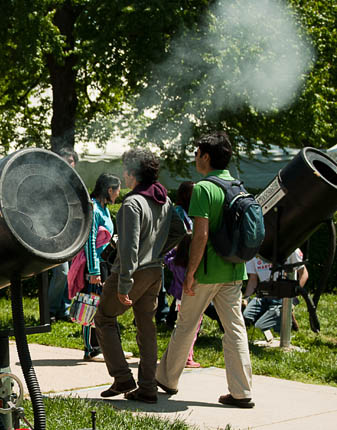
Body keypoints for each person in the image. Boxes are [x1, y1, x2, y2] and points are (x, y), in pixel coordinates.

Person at [156, 131, 254, 408]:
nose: (195, 158)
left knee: (185, 324)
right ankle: (242, 391)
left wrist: (190, 273)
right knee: (235, 329)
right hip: (235, 270)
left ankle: (167, 379)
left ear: (206, 157)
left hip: (207, 272)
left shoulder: (203, 188)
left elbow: (200, 236)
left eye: (197, 153)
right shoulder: (239, 186)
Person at [95, 148, 176, 404]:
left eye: (125, 171)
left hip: (132, 272)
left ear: (132, 174)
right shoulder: (165, 200)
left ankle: (122, 378)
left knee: (104, 318)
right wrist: (158, 249)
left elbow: (128, 248)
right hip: (154, 271)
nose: (123, 176)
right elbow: (180, 231)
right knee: (146, 327)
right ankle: (148, 387)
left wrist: (124, 284)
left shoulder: (132, 203)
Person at [67, 173, 120, 361]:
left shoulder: (104, 209)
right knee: (91, 304)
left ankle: (105, 347)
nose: (118, 194)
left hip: (105, 263)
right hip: (95, 266)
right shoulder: (93, 208)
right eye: (117, 190)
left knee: (103, 305)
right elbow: (90, 242)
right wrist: (94, 271)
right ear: (109, 190)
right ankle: (90, 349)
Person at [163, 181, 202, 368]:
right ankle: (186, 357)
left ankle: (180, 356)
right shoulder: (178, 213)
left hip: (181, 264)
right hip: (183, 262)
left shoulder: (193, 213)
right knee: (190, 324)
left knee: (182, 322)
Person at [243, 248, 307, 342]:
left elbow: (304, 273)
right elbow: (253, 280)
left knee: (260, 327)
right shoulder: (254, 251)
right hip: (263, 296)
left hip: (280, 297)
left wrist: (292, 298)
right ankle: (278, 317)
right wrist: (246, 298)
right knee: (245, 317)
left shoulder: (291, 248)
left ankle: (286, 317)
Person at [48, 147, 79, 322]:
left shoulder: (76, 183)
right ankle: (50, 310)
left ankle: (63, 310)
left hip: (72, 234)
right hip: (53, 234)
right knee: (62, 273)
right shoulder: (50, 181)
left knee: (71, 274)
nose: (67, 164)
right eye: (64, 161)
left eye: (70, 161)